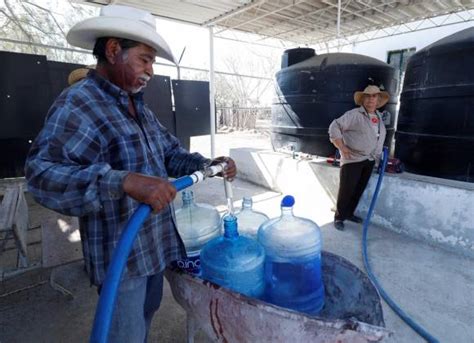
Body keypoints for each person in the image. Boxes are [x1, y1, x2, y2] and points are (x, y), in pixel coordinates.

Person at [24, 5, 236, 342]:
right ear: (112, 50)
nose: (150, 70)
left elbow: (169, 153)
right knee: (125, 334)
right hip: (121, 260)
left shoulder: (138, 107)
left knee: (144, 322)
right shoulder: (80, 103)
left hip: (155, 247)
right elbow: (41, 175)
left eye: (152, 62)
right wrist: (121, 181)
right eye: (145, 59)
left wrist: (206, 164)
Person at [328, 85, 388, 231]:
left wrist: (379, 159)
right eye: (367, 96)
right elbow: (334, 126)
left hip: (370, 160)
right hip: (353, 159)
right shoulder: (355, 114)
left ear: (378, 99)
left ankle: (349, 214)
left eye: (374, 96)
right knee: (347, 190)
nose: (371, 100)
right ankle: (339, 217)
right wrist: (342, 147)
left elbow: (377, 137)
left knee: (358, 189)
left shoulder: (379, 117)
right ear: (363, 99)